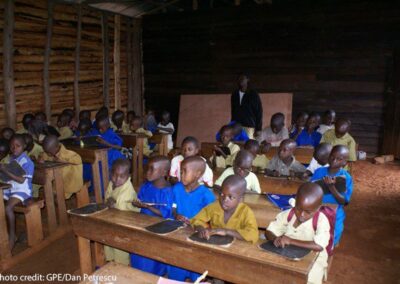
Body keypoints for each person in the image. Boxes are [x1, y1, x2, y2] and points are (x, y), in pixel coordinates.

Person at [265, 183, 330, 284]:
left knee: (308, 280)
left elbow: (319, 246)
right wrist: (275, 239)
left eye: (308, 212)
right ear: (295, 203)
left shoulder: (321, 221)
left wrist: (290, 241)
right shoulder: (289, 214)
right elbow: (269, 231)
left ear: (318, 208)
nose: (301, 215)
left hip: (314, 260)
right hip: (289, 255)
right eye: (298, 208)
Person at [168, 156, 216, 282]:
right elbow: (173, 206)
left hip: (196, 234)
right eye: (180, 171)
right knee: (177, 260)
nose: (181, 174)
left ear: (197, 174)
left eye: (184, 171)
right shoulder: (177, 188)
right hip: (178, 231)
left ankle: (197, 278)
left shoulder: (206, 194)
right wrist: (175, 215)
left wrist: (201, 224)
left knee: (196, 263)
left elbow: (213, 217)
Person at [130, 156, 173, 275]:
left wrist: (148, 207)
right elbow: (140, 201)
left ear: (163, 172)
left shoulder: (167, 191)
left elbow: (165, 213)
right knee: (137, 247)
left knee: (151, 255)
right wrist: (137, 203)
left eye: (151, 169)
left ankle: (152, 275)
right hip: (142, 223)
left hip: (158, 228)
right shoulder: (146, 186)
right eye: (147, 168)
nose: (147, 172)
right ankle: (138, 273)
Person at [192, 175, 258, 244]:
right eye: (222, 194)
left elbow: (253, 234)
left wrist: (226, 231)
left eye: (231, 197)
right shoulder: (215, 206)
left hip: (236, 248)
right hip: (215, 245)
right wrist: (201, 229)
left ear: (240, 199)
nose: (224, 200)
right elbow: (196, 219)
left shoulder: (246, 212)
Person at [311, 145, 353, 245]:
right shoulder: (319, 172)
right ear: (329, 156)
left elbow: (344, 202)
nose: (334, 160)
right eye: (332, 157)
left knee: (330, 240)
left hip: (334, 212)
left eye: (339, 159)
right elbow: (311, 190)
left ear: (344, 162)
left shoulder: (346, 178)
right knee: (312, 235)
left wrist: (331, 187)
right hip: (316, 209)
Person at [0, 134, 34, 249]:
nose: (14, 148)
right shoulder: (10, 159)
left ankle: (12, 236)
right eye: (12, 146)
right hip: (11, 187)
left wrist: (5, 171)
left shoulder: (27, 161)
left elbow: (21, 180)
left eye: (17, 146)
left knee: (8, 207)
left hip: (22, 190)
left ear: (24, 146)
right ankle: (3, 232)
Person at [104, 159, 139, 265]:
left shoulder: (127, 190)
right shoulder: (111, 184)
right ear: (110, 173)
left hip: (125, 223)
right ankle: (111, 261)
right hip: (113, 219)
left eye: (121, 176)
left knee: (120, 246)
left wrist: (111, 203)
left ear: (129, 176)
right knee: (108, 241)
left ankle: (121, 266)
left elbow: (120, 209)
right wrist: (109, 200)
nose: (117, 179)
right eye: (114, 175)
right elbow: (107, 197)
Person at [39, 135, 83, 199]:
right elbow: (43, 155)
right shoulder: (49, 151)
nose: (48, 154)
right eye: (46, 152)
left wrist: (65, 161)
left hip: (70, 183)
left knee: (55, 196)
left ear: (56, 147)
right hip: (57, 182)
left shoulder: (70, 154)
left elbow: (78, 160)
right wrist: (41, 159)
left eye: (49, 152)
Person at [230, 74, 263, 139]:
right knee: (237, 146)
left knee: (248, 146)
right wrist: (232, 125)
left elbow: (259, 111)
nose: (241, 80)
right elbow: (233, 111)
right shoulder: (234, 95)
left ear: (248, 79)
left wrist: (258, 129)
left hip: (249, 126)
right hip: (236, 127)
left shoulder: (253, 94)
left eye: (243, 78)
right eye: (239, 78)